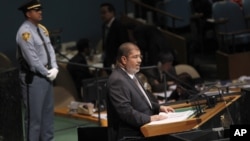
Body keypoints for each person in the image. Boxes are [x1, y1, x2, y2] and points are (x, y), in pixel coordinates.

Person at [106, 42, 174, 141]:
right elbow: (126, 112)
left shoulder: (133, 75)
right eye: (135, 57)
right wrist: (150, 119)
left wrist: (159, 107)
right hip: (130, 135)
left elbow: (143, 101)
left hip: (144, 130)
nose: (140, 60)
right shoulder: (117, 80)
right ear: (124, 59)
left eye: (140, 57)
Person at [16, 1, 58, 141]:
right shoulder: (24, 33)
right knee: (34, 120)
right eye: (36, 10)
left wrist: (55, 68)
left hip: (47, 77)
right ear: (28, 14)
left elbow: (50, 49)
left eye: (40, 9)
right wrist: (47, 73)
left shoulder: (41, 29)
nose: (40, 12)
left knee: (47, 118)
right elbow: (33, 61)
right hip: (33, 78)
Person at [100, 2, 129, 74]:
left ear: (112, 12)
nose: (102, 15)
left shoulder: (119, 26)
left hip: (117, 61)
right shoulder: (104, 26)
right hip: (108, 61)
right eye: (101, 13)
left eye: (104, 12)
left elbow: (124, 45)